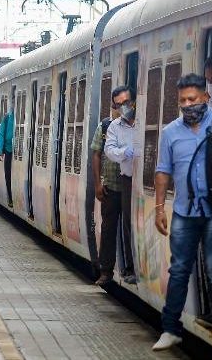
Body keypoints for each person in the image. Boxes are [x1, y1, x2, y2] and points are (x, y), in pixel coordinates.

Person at [152, 74, 212, 351]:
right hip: (184, 210)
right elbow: (163, 171)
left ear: (205, 97)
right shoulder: (170, 132)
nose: (187, 105)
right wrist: (160, 208)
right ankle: (170, 328)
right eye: (182, 100)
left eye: (192, 99)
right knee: (180, 269)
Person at [103, 85, 137, 285]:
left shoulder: (145, 120)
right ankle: (130, 267)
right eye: (119, 104)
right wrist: (126, 152)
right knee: (128, 223)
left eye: (126, 102)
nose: (124, 107)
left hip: (149, 179)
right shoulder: (115, 126)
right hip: (128, 179)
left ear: (134, 100)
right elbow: (109, 150)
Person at [90, 91, 124, 286]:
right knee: (108, 228)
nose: (118, 110)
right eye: (115, 106)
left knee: (127, 228)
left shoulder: (132, 125)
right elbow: (96, 154)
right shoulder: (104, 126)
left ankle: (128, 267)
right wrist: (97, 184)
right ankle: (106, 270)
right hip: (110, 186)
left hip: (129, 187)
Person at [0, 107, 14, 208]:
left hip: (18, 151)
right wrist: (0, 149)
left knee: (9, 175)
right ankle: (10, 197)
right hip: (8, 150)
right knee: (8, 175)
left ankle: (11, 197)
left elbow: (1, 133)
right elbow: (1, 133)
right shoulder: (7, 117)